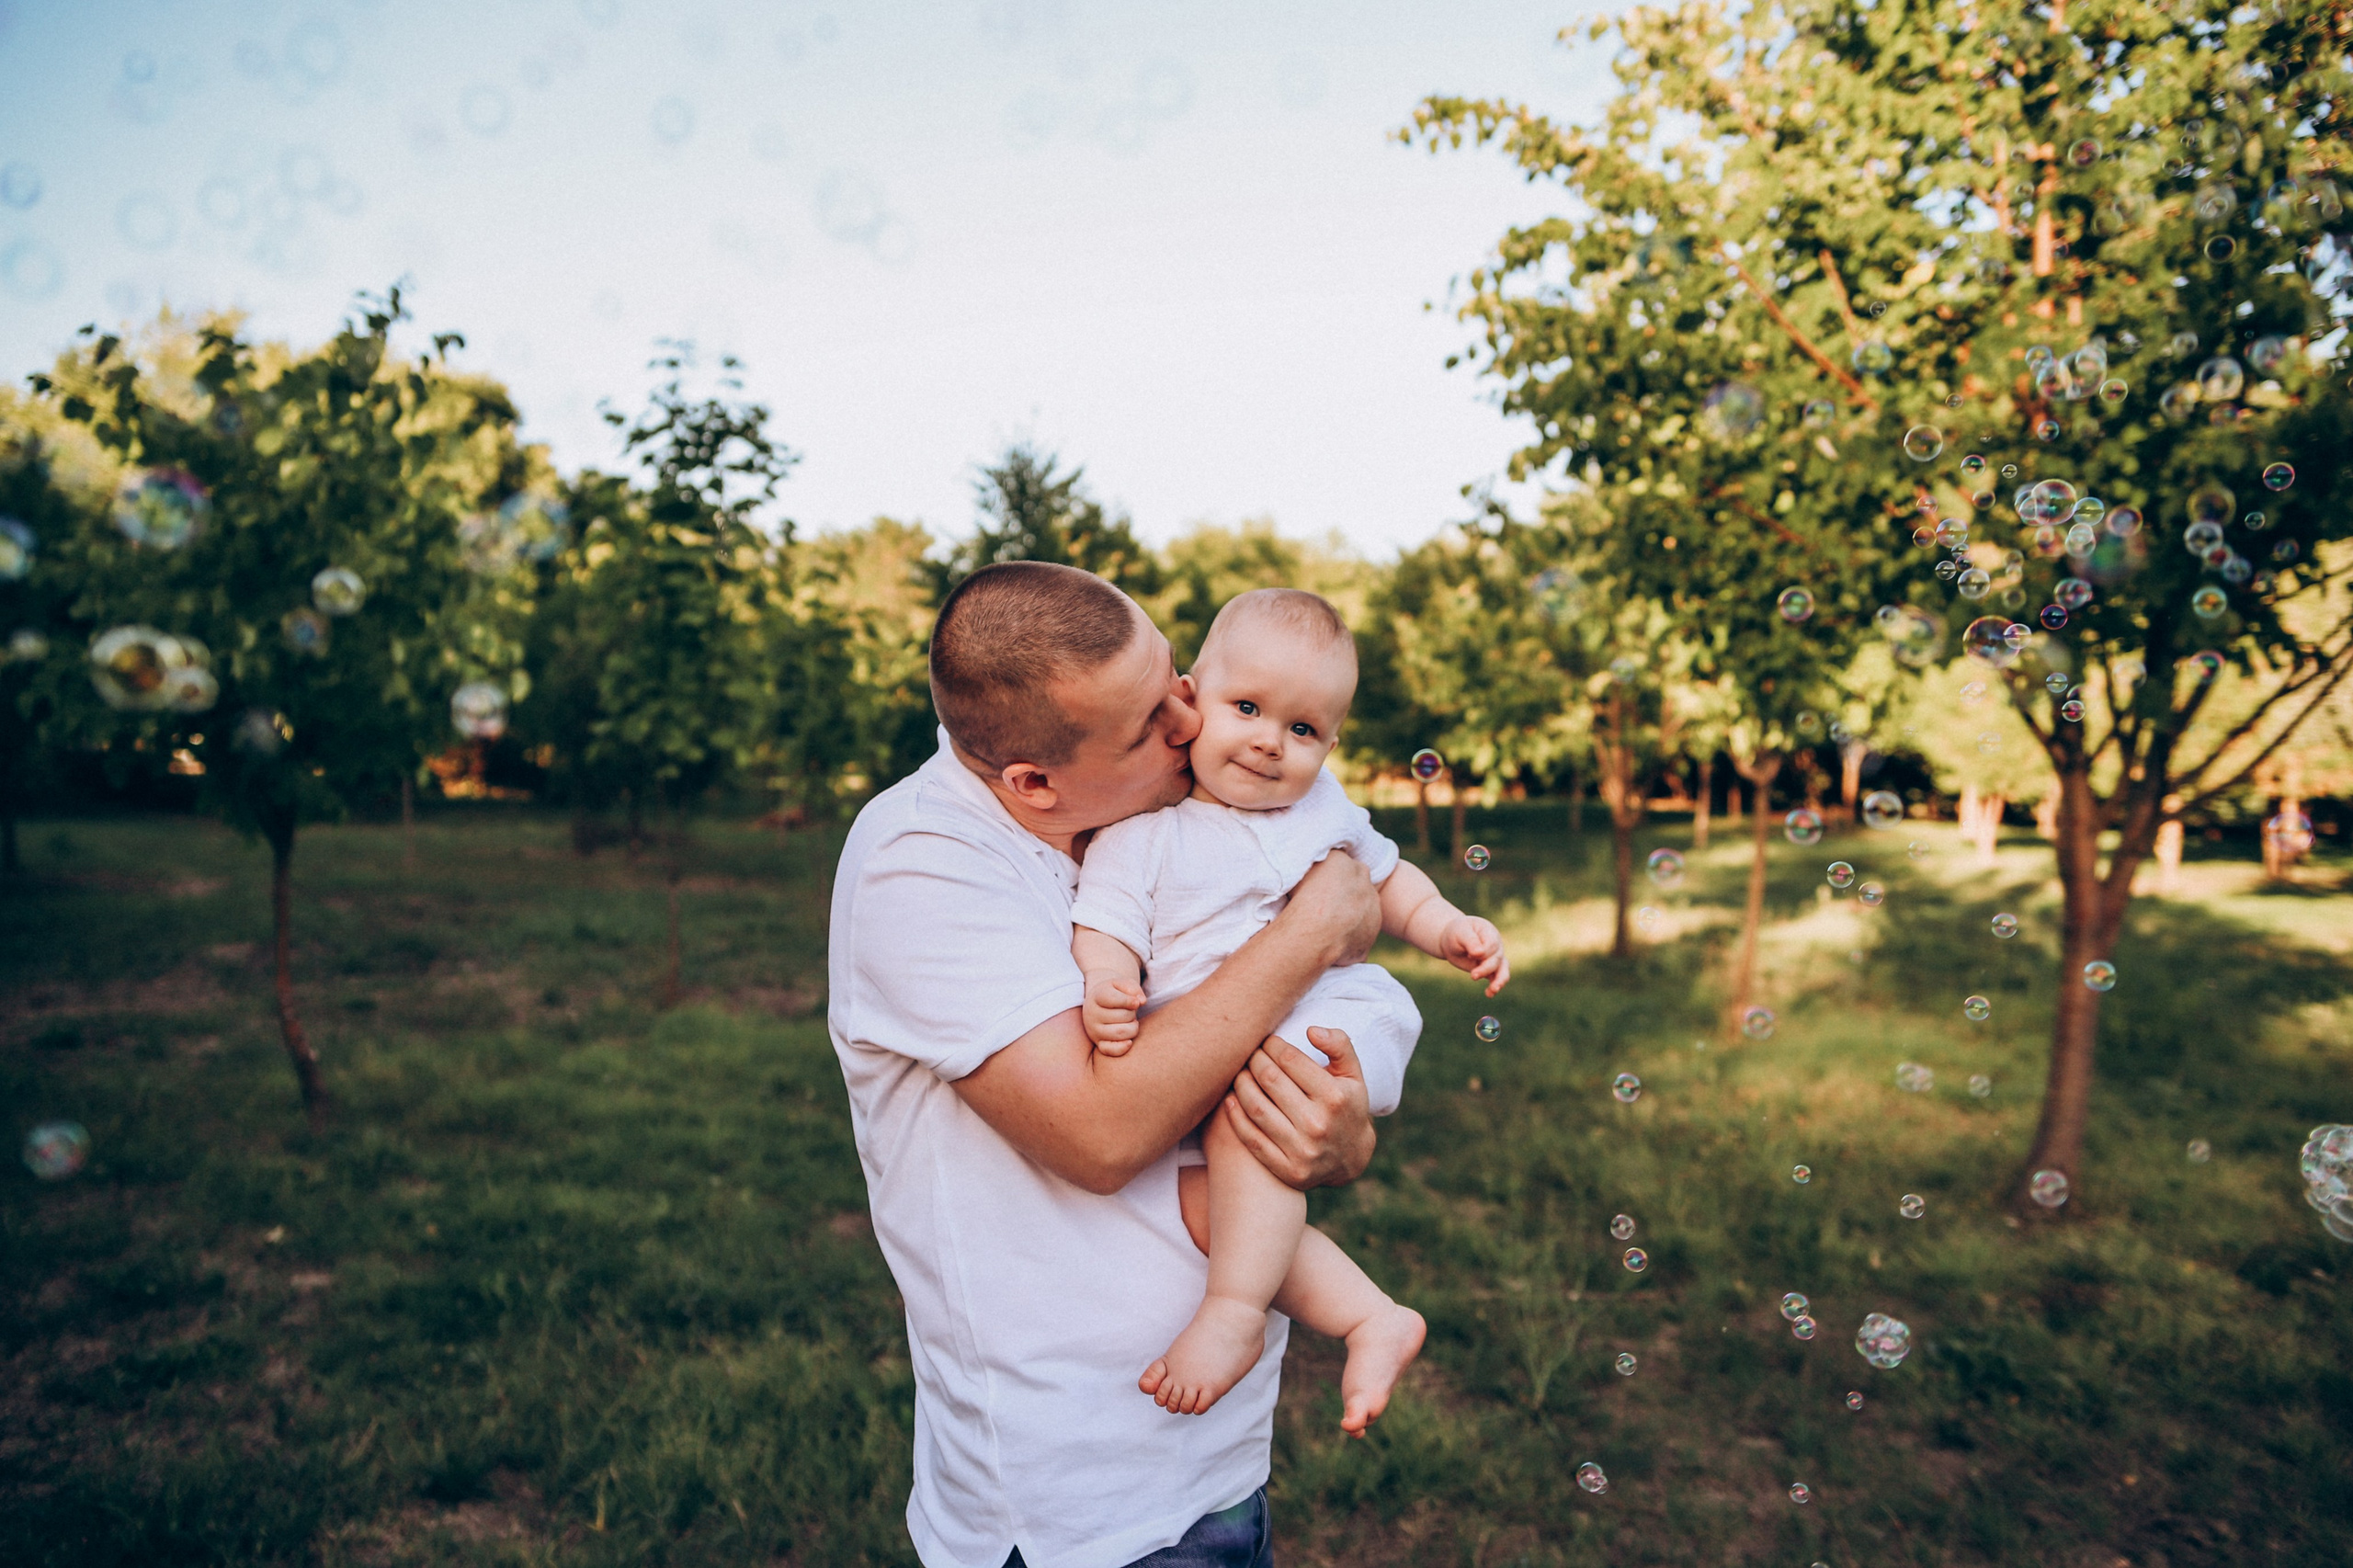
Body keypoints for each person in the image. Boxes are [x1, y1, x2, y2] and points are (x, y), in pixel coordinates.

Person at [827, 562, 1423, 1568]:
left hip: (1219, 1451)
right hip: (1077, 1501)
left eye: (1178, 679)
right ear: (1031, 781)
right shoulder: (921, 861)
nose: (1194, 722)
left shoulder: (1162, 814)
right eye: (1154, 721)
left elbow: (1254, 1049)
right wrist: (1312, 929)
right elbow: (1101, 1133)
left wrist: (1333, 1122)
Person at [1071, 588, 1507, 1434]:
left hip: (1333, 1018)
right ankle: (1369, 1315)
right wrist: (1108, 981)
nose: (1272, 741)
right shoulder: (1142, 837)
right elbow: (1105, 925)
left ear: (1331, 745)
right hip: (1214, 1047)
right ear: (1191, 698)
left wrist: (1447, 927)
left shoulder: (1322, 810)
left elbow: (1387, 878)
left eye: (1304, 730)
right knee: (1210, 1208)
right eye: (1248, 709)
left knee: (1249, 1127)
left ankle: (1233, 1316)